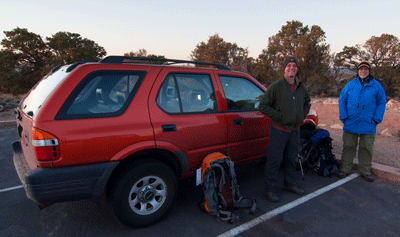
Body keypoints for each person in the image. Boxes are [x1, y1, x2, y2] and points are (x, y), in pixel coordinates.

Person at [258, 56, 311, 202]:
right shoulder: (276, 86)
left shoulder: (301, 87)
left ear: (297, 69)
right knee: (274, 161)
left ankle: (289, 184)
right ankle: (269, 189)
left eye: (294, 66)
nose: (291, 68)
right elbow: (262, 106)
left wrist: (301, 116)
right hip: (278, 130)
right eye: (289, 66)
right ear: (284, 68)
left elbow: (307, 103)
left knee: (291, 159)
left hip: (294, 131)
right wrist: (279, 116)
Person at [338, 61, 386, 182]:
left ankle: (365, 171)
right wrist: (344, 117)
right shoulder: (350, 85)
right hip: (351, 122)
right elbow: (342, 100)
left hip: (368, 123)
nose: (363, 71)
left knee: (366, 148)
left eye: (365, 69)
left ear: (369, 71)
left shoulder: (376, 86)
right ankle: (345, 169)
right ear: (358, 71)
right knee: (349, 146)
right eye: (361, 69)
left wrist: (376, 119)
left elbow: (381, 102)